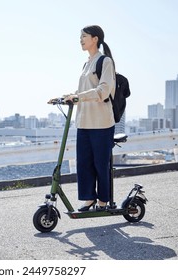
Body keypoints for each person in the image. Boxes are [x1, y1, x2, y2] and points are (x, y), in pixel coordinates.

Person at [63, 25, 116, 211]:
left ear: (95, 38)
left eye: (84, 36)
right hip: (84, 123)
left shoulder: (105, 61)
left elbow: (103, 90)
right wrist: (68, 97)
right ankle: (89, 198)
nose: (81, 40)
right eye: (80, 37)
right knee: (84, 163)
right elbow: (82, 92)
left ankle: (103, 200)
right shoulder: (86, 64)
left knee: (100, 164)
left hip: (101, 123)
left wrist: (79, 97)